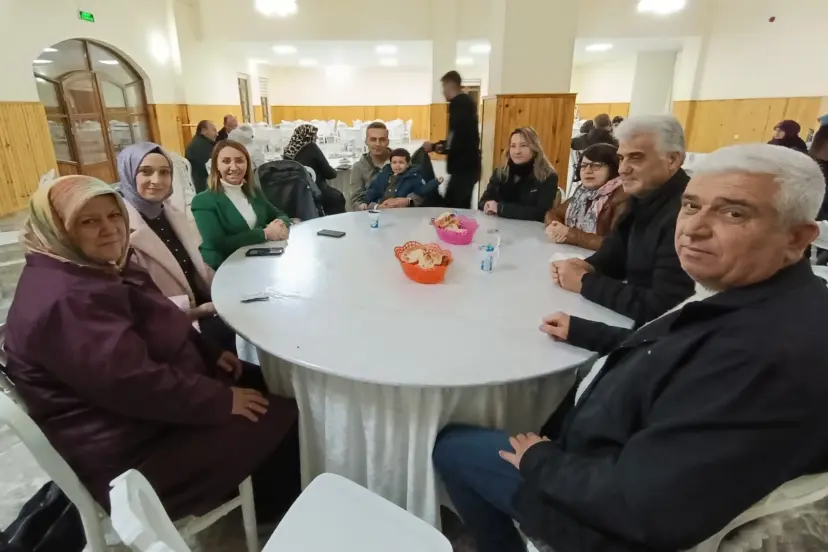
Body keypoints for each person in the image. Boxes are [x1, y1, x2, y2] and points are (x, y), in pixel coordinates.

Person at [433, 143, 828, 552]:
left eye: (734, 213)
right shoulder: (766, 298)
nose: (693, 229)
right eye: (691, 206)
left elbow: (647, 506)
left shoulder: (765, 357)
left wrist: (541, 461)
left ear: (797, 237)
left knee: (454, 446)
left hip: (600, 519)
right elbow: (678, 351)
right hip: (607, 462)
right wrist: (589, 332)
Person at [3, 175, 301, 522]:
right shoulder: (65, 300)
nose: (109, 229)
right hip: (133, 454)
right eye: (88, 221)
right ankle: (277, 511)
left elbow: (161, 319)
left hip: (149, 414)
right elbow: (134, 385)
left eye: (113, 216)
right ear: (56, 229)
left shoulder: (92, 268)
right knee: (284, 415)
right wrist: (221, 401)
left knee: (277, 383)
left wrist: (208, 351)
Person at [551, 115, 695, 325]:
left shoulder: (689, 214)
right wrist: (588, 266)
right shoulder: (642, 196)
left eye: (636, 158)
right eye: (621, 158)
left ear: (672, 160)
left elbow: (665, 308)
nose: (622, 169)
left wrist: (585, 282)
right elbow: (616, 253)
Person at [116, 142, 236, 352]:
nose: (157, 180)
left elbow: (196, 267)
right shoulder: (119, 231)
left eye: (164, 172)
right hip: (172, 328)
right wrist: (200, 311)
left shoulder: (171, 214)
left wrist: (228, 290)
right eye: (146, 172)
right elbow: (136, 305)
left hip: (205, 309)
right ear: (128, 174)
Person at [191, 140, 290, 269]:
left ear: (247, 164)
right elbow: (218, 243)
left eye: (239, 161)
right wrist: (265, 233)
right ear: (216, 166)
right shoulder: (203, 200)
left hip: (257, 262)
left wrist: (280, 224)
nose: (233, 167)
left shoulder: (254, 193)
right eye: (226, 161)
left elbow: (279, 214)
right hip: (223, 267)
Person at [545, 143, 628, 250]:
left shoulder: (623, 195)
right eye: (583, 166)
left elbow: (616, 245)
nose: (587, 171)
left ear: (613, 168)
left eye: (596, 165)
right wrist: (555, 228)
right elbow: (554, 213)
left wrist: (570, 234)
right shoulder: (583, 191)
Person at [423, 71, 481, 209]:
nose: (443, 91)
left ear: (449, 85)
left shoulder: (459, 104)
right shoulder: (466, 103)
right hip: (468, 165)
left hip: (464, 166)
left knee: (455, 207)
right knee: (458, 204)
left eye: (443, 87)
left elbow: (458, 137)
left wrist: (435, 147)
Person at [478, 127, 559, 222]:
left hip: (530, 230)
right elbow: (483, 201)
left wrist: (501, 208)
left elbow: (542, 213)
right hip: (498, 226)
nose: (517, 151)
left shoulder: (547, 176)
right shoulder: (500, 172)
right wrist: (487, 205)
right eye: (513, 146)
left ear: (534, 148)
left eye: (523, 145)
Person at [283, 124, 347, 215]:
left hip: (296, 196)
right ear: (309, 137)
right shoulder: (312, 148)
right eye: (315, 135)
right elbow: (330, 174)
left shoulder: (287, 152)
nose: (316, 138)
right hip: (316, 193)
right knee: (338, 198)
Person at [360, 148, 442, 210]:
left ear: (408, 164)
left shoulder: (414, 177)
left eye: (401, 162)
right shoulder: (384, 175)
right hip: (383, 209)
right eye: (394, 162)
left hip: (403, 211)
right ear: (390, 163)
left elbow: (422, 190)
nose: (397, 165)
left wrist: (435, 182)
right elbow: (373, 190)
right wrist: (365, 202)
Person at [349, 122, 391, 210]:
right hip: (371, 213)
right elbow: (356, 200)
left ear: (388, 142)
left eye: (382, 139)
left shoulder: (402, 162)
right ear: (366, 141)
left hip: (400, 211)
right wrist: (371, 207)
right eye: (373, 139)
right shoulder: (358, 167)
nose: (378, 144)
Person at [184, 120, 217, 193]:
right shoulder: (202, 147)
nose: (217, 134)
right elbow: (210, 168)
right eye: (214, 130)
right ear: (203, 131)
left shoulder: (197, 143)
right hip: (204, 186)